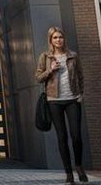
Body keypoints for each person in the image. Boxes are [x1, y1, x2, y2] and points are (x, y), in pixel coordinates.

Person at [35, 27, 87, 184]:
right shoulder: (45, 57)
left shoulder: (73, 56)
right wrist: (50, 70)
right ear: (50, 40)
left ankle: (79, 166)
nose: (58, 40)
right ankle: (69, 173)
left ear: (64, 39)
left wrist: (81, 93)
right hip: (54, 101)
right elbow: (38, 77)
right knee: (62, 137)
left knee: (76, 136)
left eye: (60, 37)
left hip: (72, 99)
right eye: (55, 37)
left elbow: (80, 76)